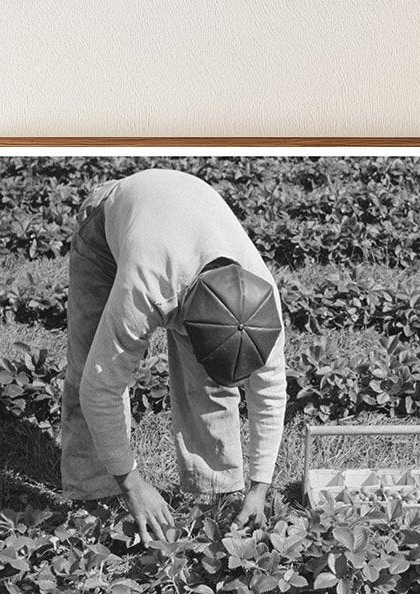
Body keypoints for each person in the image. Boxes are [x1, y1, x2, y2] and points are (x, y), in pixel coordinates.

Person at [60, 168, 287, 544]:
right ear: (179, 314)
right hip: (108, 222)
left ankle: (213, 490)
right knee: (89, 365)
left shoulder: (260, 301)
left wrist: (259, 487)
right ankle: (96, 494)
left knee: (211, 381)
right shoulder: (147, 286)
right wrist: (132, 482)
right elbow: (100, 387)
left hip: (180, 215)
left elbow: (271, 391)